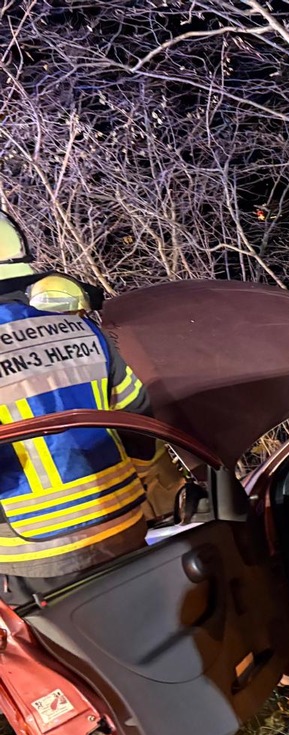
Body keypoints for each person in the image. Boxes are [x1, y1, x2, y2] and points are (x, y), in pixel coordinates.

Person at [0, 212, 164, 602]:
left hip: (32, 552)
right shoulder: (81, 327)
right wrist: (142, 477)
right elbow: (138, 416)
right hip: (121, 519)